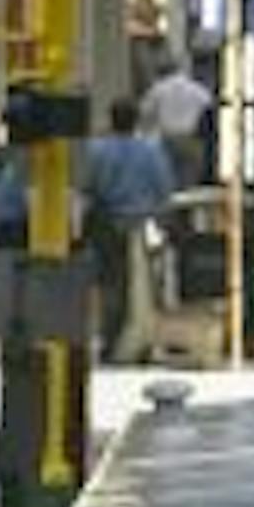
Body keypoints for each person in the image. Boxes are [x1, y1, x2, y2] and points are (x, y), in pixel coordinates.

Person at [82, 97, 173, 360]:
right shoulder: (151, 151)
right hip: (144, 225)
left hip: (107, 223)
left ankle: (111, 339)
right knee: (146, 287)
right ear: (136, 120)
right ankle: (142, 340)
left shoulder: (96, 150)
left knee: (109, 283)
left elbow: (88, 185)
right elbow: (164, 188)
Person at [139, 50, 214, 189]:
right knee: (189, 179)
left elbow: (145, 113)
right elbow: (208, 106)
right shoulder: (196, 88)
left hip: (167, 139)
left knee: (168, 178)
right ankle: (187, 207)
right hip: (191, 138)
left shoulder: (158, 89)